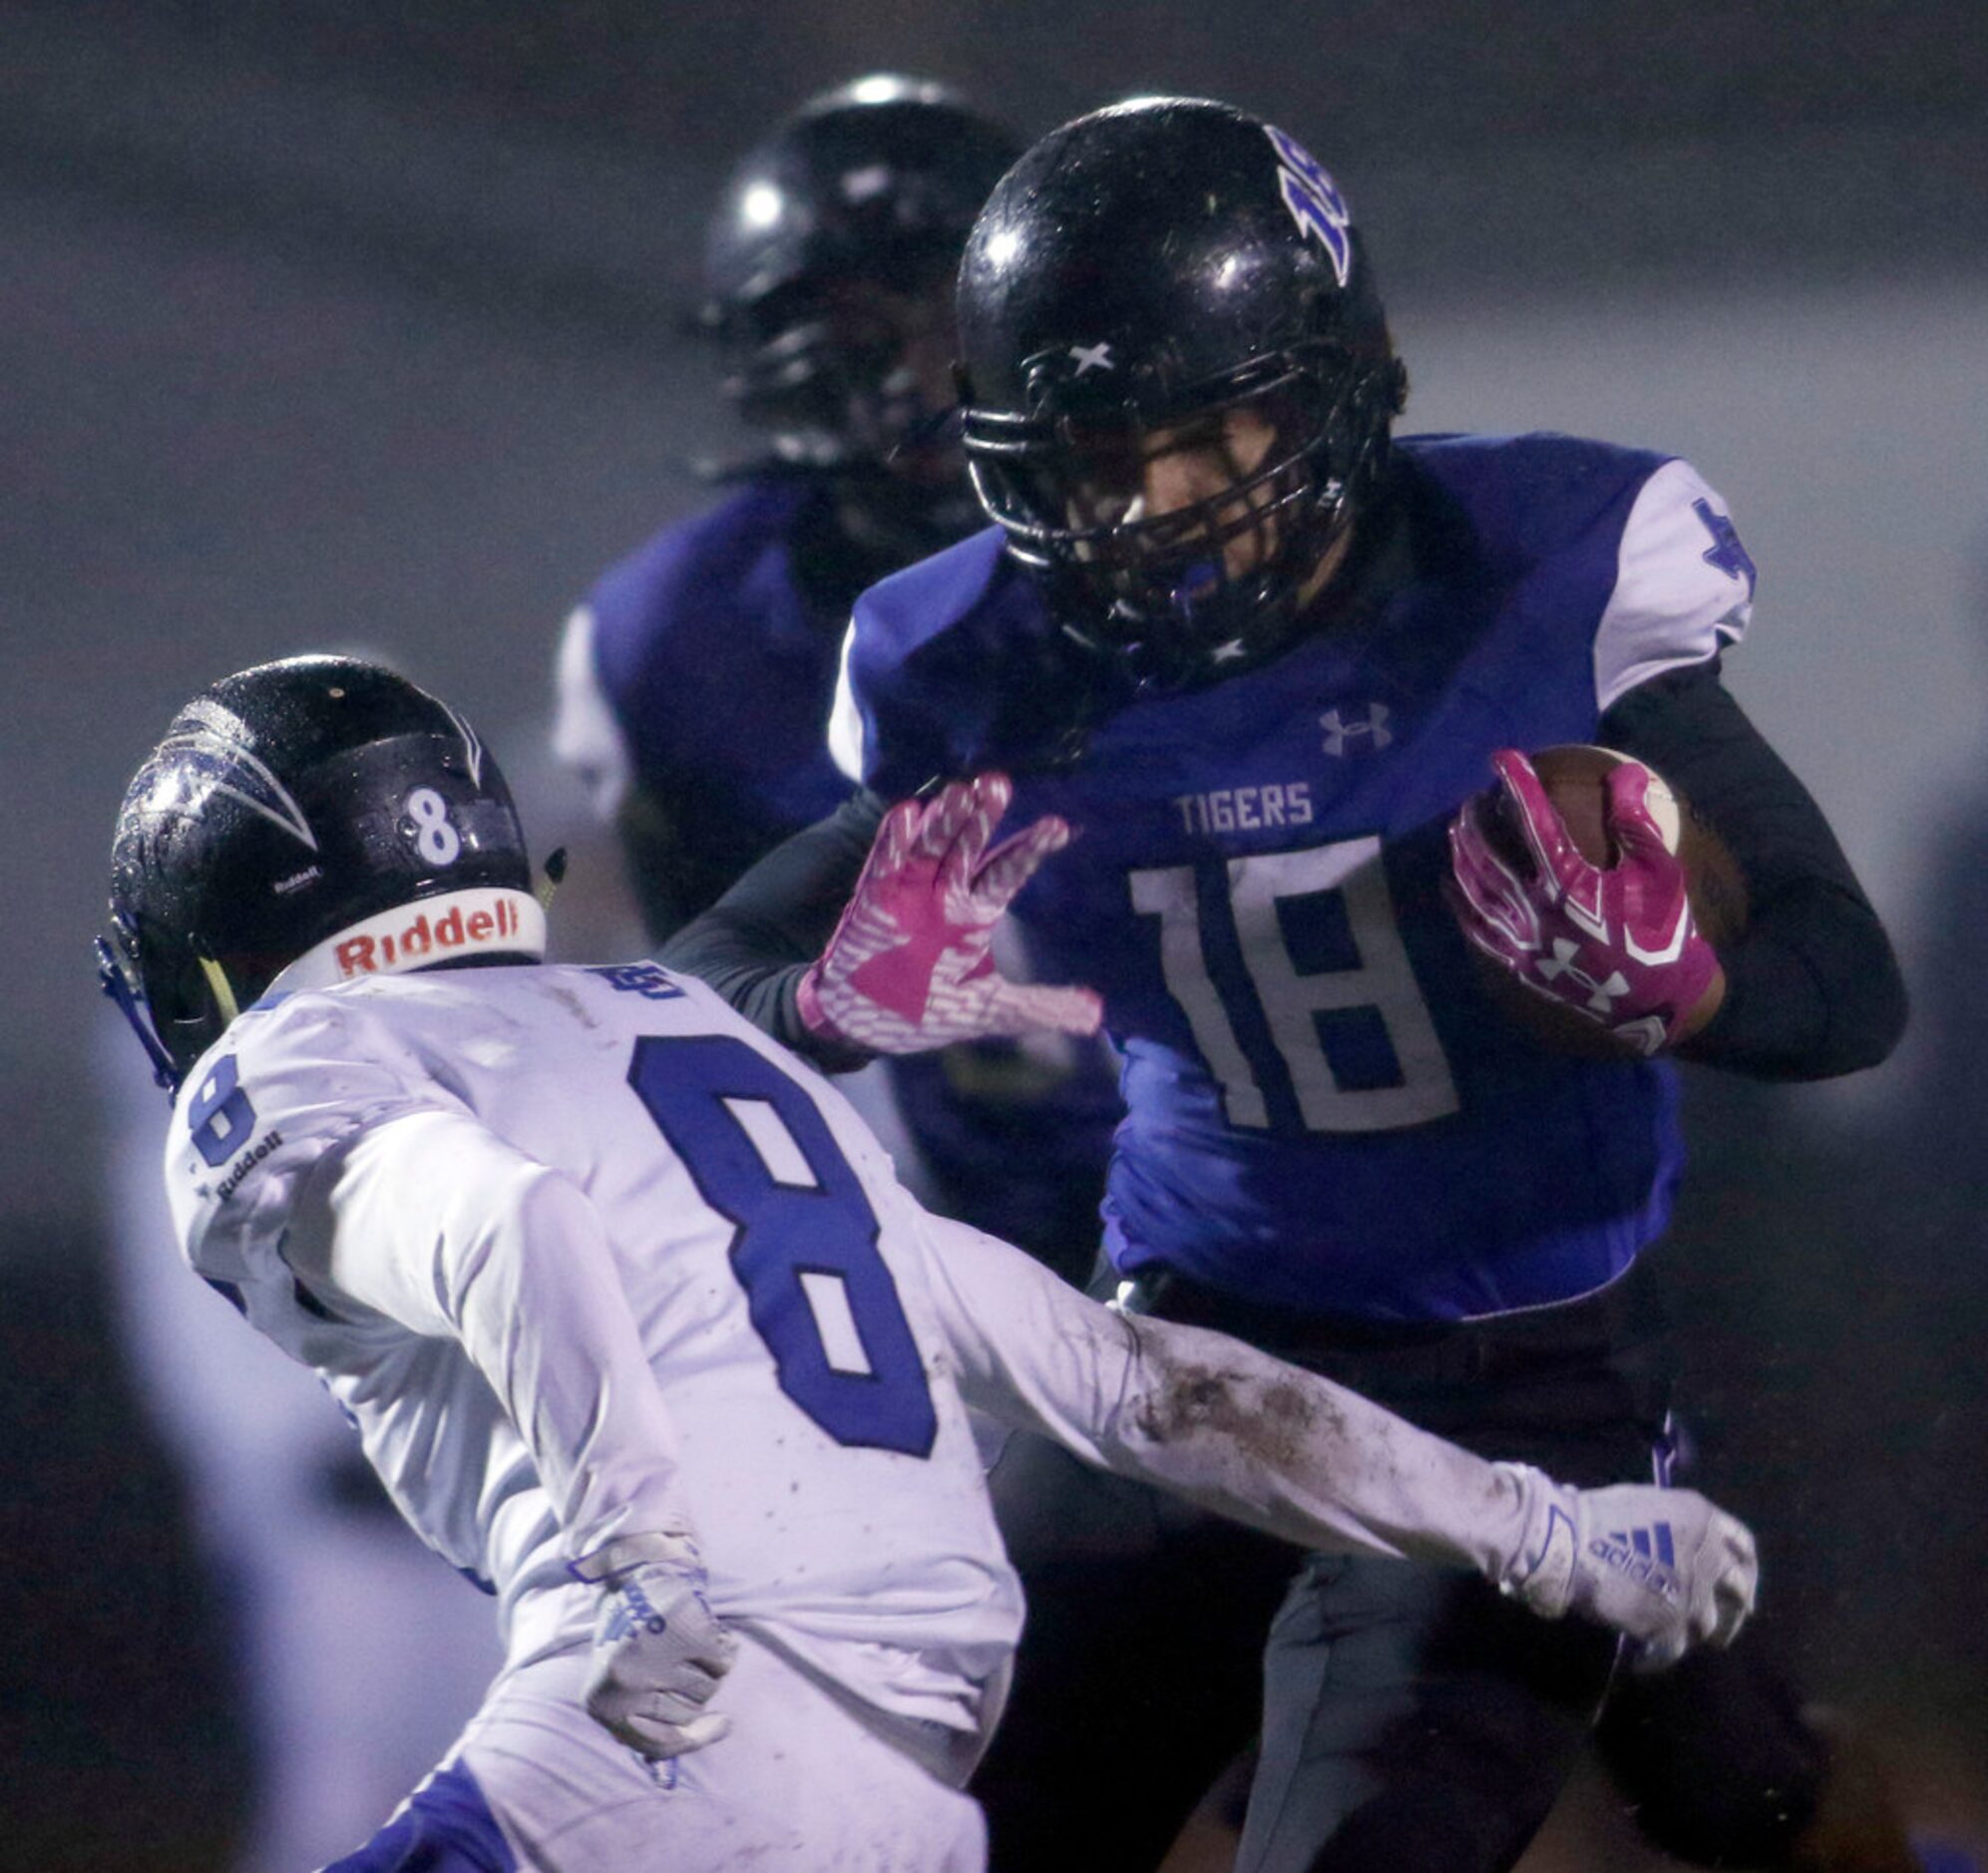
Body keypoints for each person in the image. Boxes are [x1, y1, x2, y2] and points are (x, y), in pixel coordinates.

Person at [657, 97, 1914, 1872]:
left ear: (1337, 386)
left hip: (1513, 1380)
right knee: (923, 1829)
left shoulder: (1531, 571)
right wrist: (826, 1007)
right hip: (1176, 1357)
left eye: (1202, 432)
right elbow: (691, 986)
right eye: (1091, 454)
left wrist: (1682, 989)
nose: (1151, 502)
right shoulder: (970, 662)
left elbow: (1845, 985)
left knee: (1509, 1822)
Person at [96, 654, 1758, 1872]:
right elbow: (1137, 1380)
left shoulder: (295, 1064)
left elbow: (498, 1226)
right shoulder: (675, 1029)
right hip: (914, 1790)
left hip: (673, 1736)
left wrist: (636, 1563)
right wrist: (1546, 1529)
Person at [551, 74, 1116, 1288]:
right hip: (995, 1258)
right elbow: (708, 1015)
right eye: (860, 336)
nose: (916, 380)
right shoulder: (674, 640)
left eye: (945, 318)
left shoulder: (1174, 523)